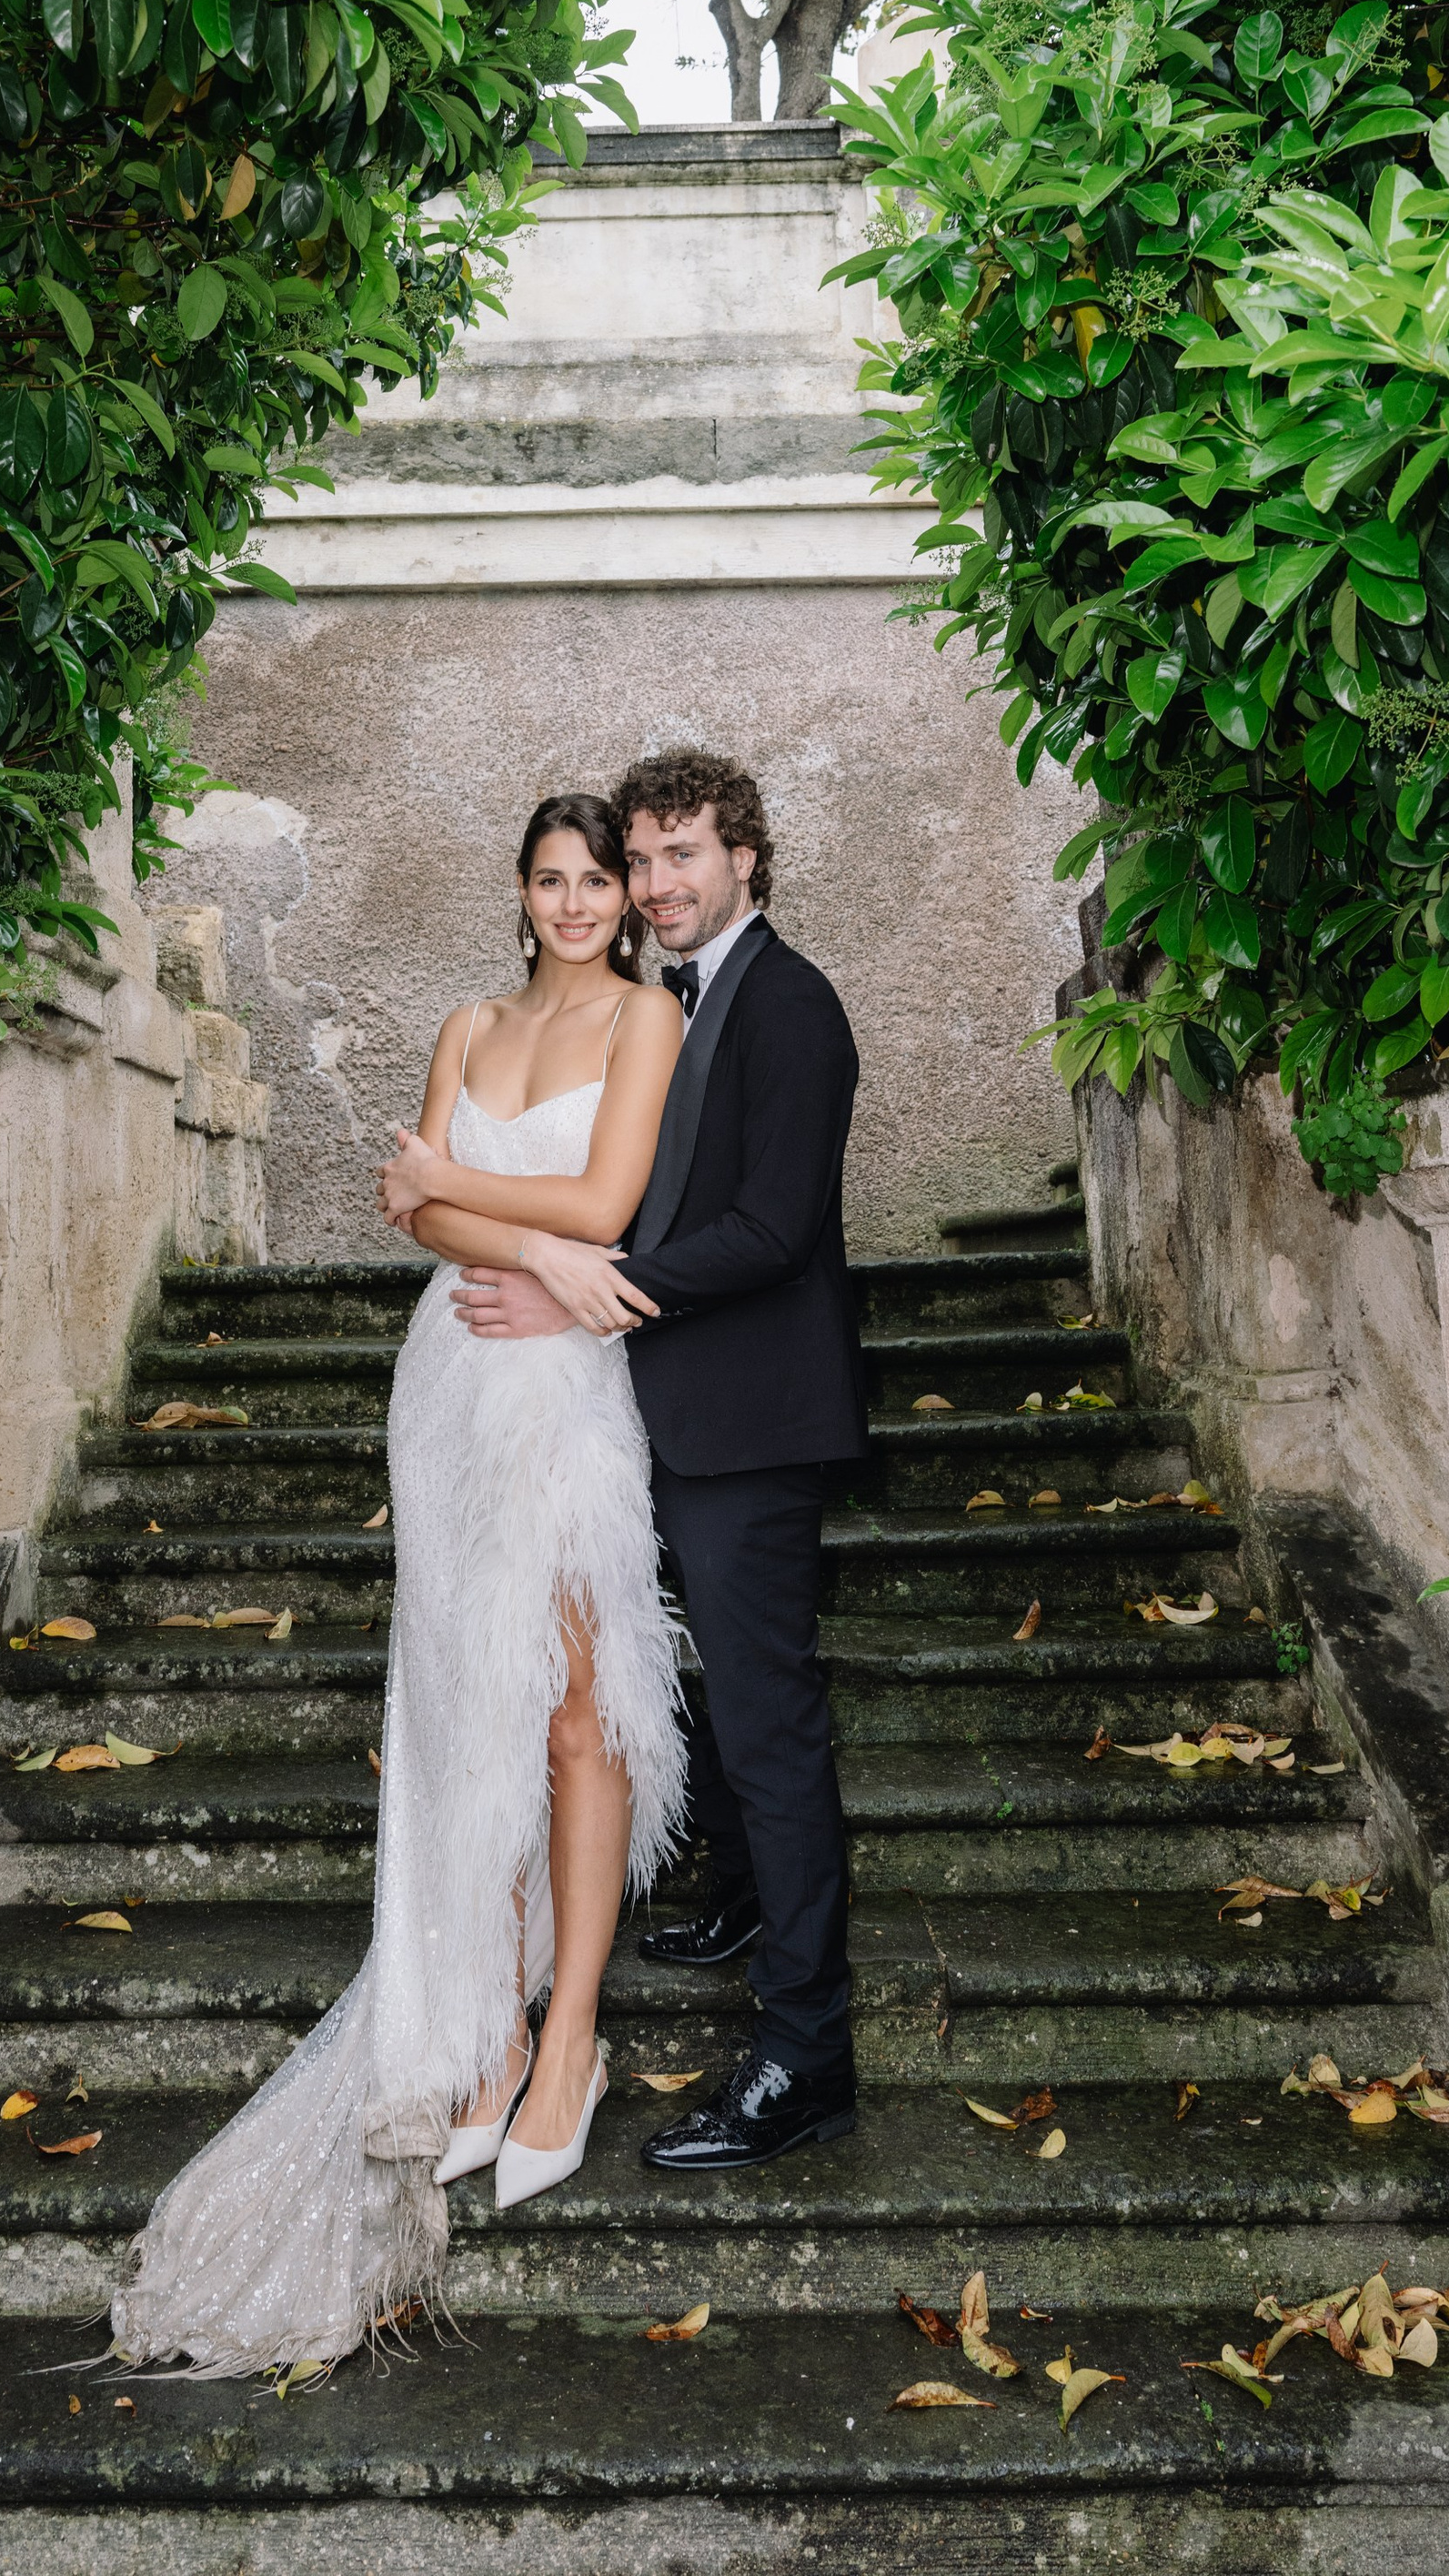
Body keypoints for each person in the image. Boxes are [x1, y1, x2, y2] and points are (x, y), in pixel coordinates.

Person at [109, 793, 687, 2380]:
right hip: (449, 1382)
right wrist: (521, 1238)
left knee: (579, 1712)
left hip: (563, 1386)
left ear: (622, 907)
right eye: (552, 880)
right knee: (469, 1715)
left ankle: (571, 2032)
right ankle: (488, 2035)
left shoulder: (648, 1018)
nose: (577, 903)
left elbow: (602, 1210)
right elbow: (399, 1208)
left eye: (597, 883)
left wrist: (544, 1251)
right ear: (520, 893)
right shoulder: (464, 1019)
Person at [448, 750, 865, 2175]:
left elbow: (774, 1232)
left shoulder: (792, 1005)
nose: (656, 884)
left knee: (769, 1724)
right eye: (642, 859)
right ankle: (742, 1897)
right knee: (712, 1693)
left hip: (755, 1422)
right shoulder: (676, 1004)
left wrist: (579, 1283)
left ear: (745, 856)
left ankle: (806, 2056)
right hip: (667, 1413)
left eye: (683, 854)